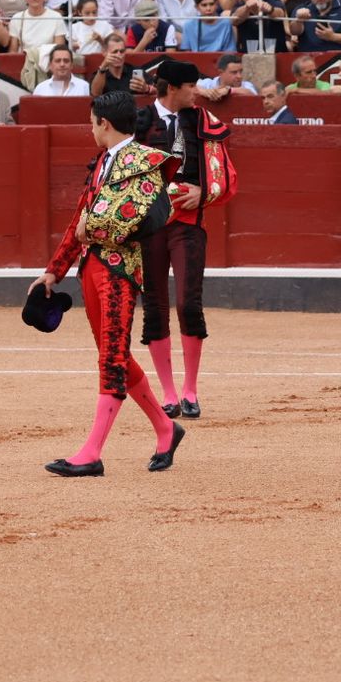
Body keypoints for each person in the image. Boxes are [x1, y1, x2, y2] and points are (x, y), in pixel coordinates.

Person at [30, 89, 182, 477]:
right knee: (114, 356)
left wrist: (91, 228)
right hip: (91, 269)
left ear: (104, 123)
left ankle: (91, 453)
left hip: (120, 274)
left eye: (91, 123)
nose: (91, 129)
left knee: (111, 359)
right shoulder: (103, 161)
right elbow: (77, 221)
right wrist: (54, 271)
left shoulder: (144, 162)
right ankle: (166, 428)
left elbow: (135, 218)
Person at [134, 59, 239, 419]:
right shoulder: (139, 122)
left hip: (187, 224)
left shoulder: (200, 121)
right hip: (149, 227)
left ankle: (190, 390)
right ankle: (167, 393)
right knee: (154, 306)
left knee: (188, 304)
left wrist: (203, 193)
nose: (197, 92)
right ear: (173, 88)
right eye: (191, 86)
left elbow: (224, 172)